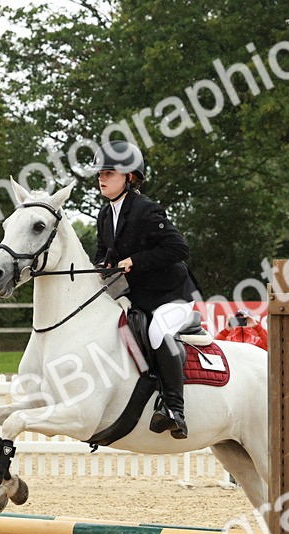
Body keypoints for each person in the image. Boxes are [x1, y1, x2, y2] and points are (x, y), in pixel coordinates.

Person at [91, 140, 200, 439]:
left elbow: (179, 248)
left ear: (129, 176)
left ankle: (175, 410)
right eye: (100, 173)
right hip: (140, 298)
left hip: (173, 296)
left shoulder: (146, 209)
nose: (101, 178)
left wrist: (135, 261)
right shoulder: (105, 215)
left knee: (157, 332)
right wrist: (102, 266)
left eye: (109, 172)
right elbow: (101, 254)